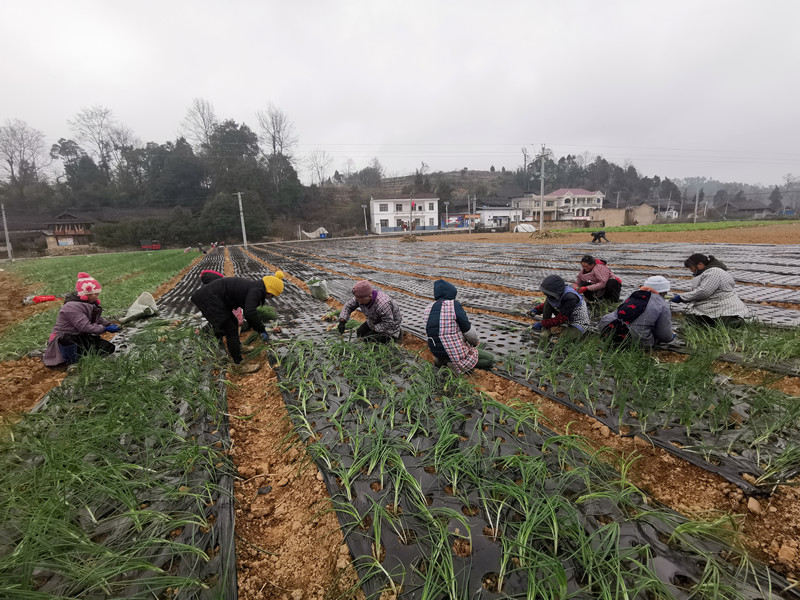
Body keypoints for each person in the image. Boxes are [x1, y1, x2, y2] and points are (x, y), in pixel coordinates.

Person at [191, 271, 285, 373]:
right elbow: (249, 313)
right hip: (209, 300)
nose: (271, 298)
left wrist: (256, 325)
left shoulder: (256, 287)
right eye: (273, 296)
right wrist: (261, 330)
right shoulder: (256, 291)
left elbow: (249, 310)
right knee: (230, 329)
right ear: (270, 292)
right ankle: (238, 365)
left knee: (234, 323)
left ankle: (238, 347)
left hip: (214, 299)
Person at [43, 272, 120, 369]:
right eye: (95, 294)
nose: (97, 296)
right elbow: (85, 327)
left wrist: (109, 324)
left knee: (108, 348)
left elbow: (96, 319)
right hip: (67, 339)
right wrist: (105, 328)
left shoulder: (90, 303)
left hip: (81, 336)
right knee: (68, 341)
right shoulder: (71, 308)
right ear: (86, 293)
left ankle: (83, 357)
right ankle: (70, 362)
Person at [424, 279, 495, 373]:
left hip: (436, 351)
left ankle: (441, 361)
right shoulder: (453, 305)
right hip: (453, 352)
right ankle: (456, 365)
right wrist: (475, 343)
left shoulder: (428, 308)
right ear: (451, 294)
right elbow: (468, 331)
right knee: (489, 358)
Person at [670, 254, 749, 327]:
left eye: (691, 267)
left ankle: (734, 323)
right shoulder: (706, 273)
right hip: (712, 307)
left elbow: (704, 292)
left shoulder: (714, 272)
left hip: (724, 309)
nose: (691, 270)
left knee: (723, 325)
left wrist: (682, 297)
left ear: (700, 265)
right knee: (692, 320)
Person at [598, 275, 676, 347]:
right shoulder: (662, 304)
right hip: (631, 337)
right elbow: (664, 334)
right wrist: (671, 337)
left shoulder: (633, 295)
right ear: (665, 291)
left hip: (606, 328)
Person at [337, 280, 402, 343]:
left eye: (360, 300)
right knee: (360, 332)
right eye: (357, 300)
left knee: (369, 339)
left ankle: (395, 336)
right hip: (373, 321)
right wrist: (342, 321)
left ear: (369, 296)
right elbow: (348, 306)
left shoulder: (383, 304)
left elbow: (388, 322)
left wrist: (375, 330)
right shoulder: (360, 297)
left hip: (390, 327)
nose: (359, 302)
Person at [532, 274, 590, 340]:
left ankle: (547, 326)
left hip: (577, 323)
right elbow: (549, 304)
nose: (546, 295)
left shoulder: (570, 298)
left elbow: (561, 319)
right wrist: (535, 310)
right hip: (566, 316)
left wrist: (542, 324)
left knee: (562, 339)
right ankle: (546, 329)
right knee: (547, 301)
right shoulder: (553, 295)